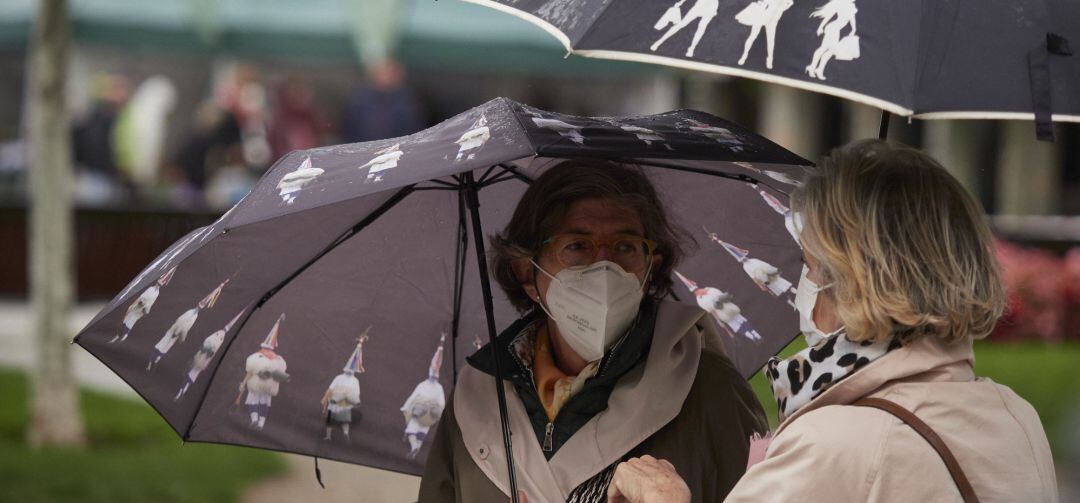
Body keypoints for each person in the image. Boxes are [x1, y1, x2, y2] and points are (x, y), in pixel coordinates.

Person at [606, 140, 1059, 502]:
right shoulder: (1015, 414)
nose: (800, 284)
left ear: (857, 282)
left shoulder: (833, 444)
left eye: (809, 265)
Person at [418, 159, 767, 502]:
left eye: (625, 247)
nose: (604, 267)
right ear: (527, 274)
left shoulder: (707, 387)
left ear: (650, 268)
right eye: (578, 246)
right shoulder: (476, 398)